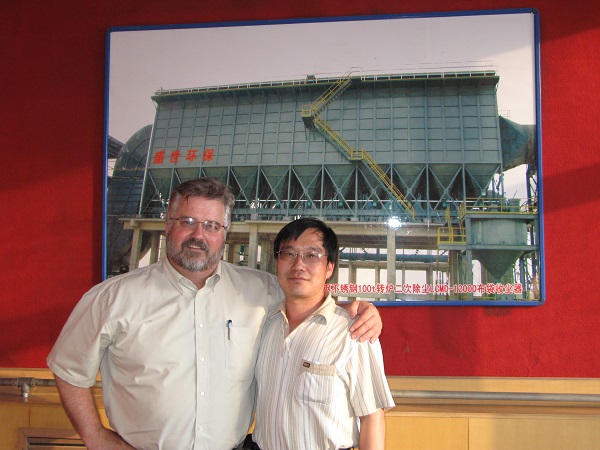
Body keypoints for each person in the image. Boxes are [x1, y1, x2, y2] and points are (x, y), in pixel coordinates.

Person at [47, 177, 383, 450]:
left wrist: (356, 310)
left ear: (225, 233)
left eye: (211, 225)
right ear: (167, 225)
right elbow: (68, 369)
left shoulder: (260, 290)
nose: (199, 235)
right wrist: (95, 436)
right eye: (188, 222)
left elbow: (305, 295)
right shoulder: (111, 298)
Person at [251, 218, 395, 450]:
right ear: (277, 261)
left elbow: (372, 418)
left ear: (329, 267)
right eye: (289, 254)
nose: (298, 265)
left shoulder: (354, 332)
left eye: (311, 255)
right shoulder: (264, 325)